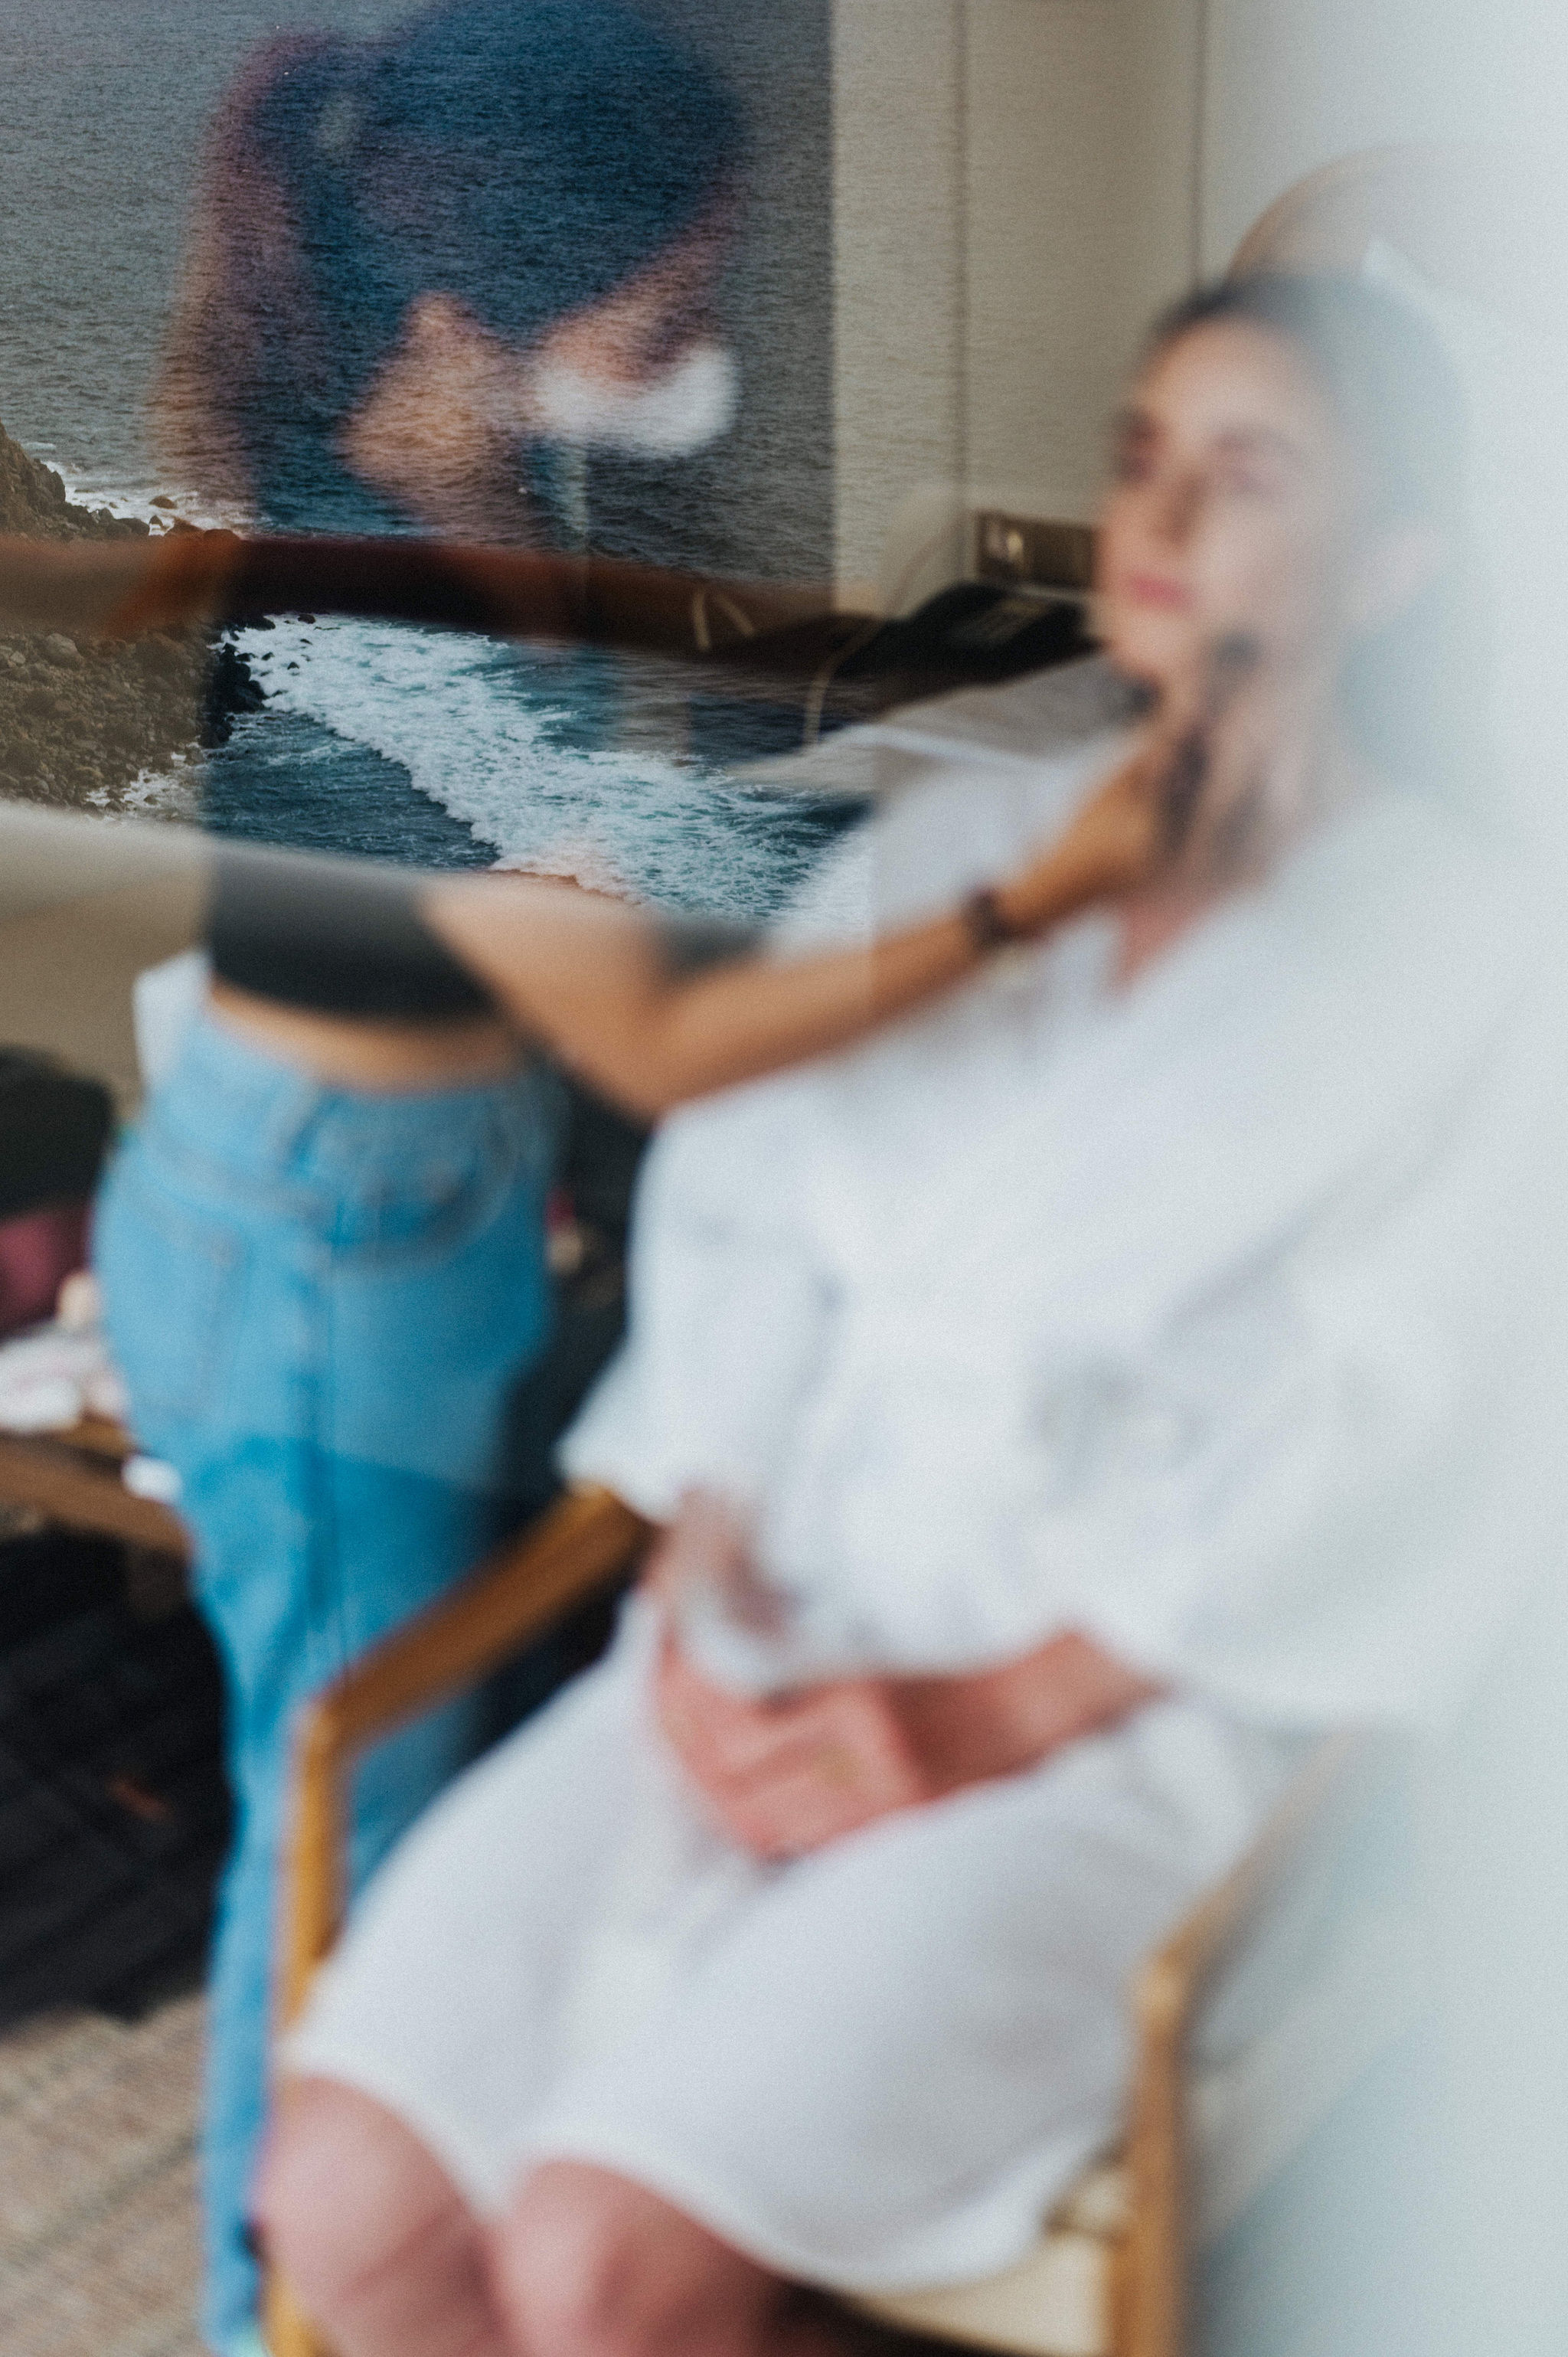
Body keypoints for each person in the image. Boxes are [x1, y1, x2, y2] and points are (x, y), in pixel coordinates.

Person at [256, 272, 1552, 2357]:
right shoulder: (963, 841)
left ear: (1392, 560)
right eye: (1142, 455)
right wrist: (696, 1586)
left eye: (1247, 472)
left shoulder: (1484, 963)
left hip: (1123, 1705)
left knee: (595, 2260)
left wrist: (988, 1713)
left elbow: (1412, 1425)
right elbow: (746, 1221)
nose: (1161, 512)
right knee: (335, 2192)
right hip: (774, 1608)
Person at [93, 731, 1165, 2357]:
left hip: (428, 1186)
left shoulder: (505, 602)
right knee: (348, 1789)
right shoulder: (401, 630)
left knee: (413, 1765)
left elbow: (607, 877)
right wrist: (1014, 903)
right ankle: (261, 2321)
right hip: (329, 1215)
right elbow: (654, 1045)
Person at [155, 0, 745, 541]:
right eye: (665, 324)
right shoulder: (360, 560)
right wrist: (476, 504)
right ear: (455, 335)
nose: (704, 341)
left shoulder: (351, 281)